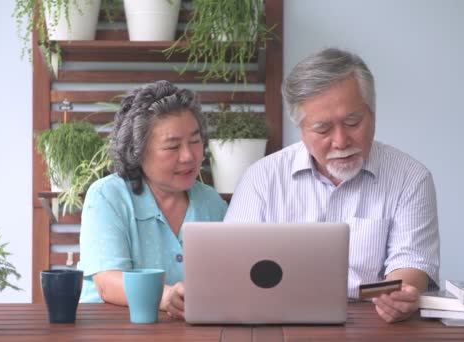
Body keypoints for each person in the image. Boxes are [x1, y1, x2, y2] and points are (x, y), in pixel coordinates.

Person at [224, 48, 440, 323]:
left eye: (353, 122)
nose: (340, 141)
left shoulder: (410, 177)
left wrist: (398, 296)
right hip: (278, 319)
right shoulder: (262, 178)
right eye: (323, 129)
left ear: (372, 113)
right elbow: (233, 266)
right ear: (300, 129)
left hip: (372, 322)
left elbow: (411, 262)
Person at [77, 80, 227, 320]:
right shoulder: (108, 196)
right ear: (137, 150)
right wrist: (167, 297)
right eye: (172, 146)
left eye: (195, 141)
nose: (189, 156)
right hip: (110, 329)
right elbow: (107, 281)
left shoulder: (210, 201)